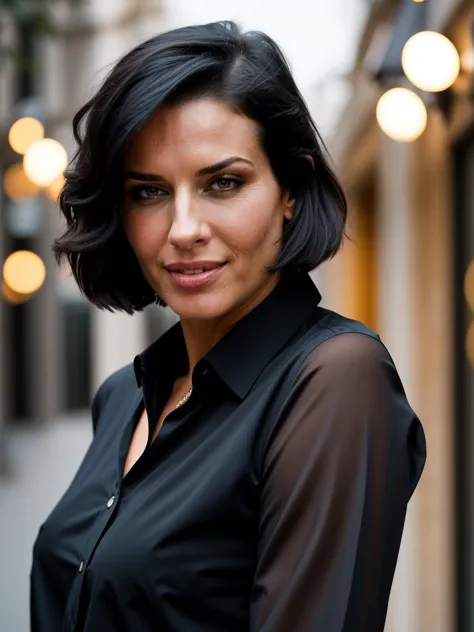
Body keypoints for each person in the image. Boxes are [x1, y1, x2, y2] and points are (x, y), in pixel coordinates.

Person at [30, 21, 426, 632]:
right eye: (149, 192)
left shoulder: (335, 380)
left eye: (223, 182)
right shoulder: (122, 397)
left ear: (290, 188)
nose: (183, 229)